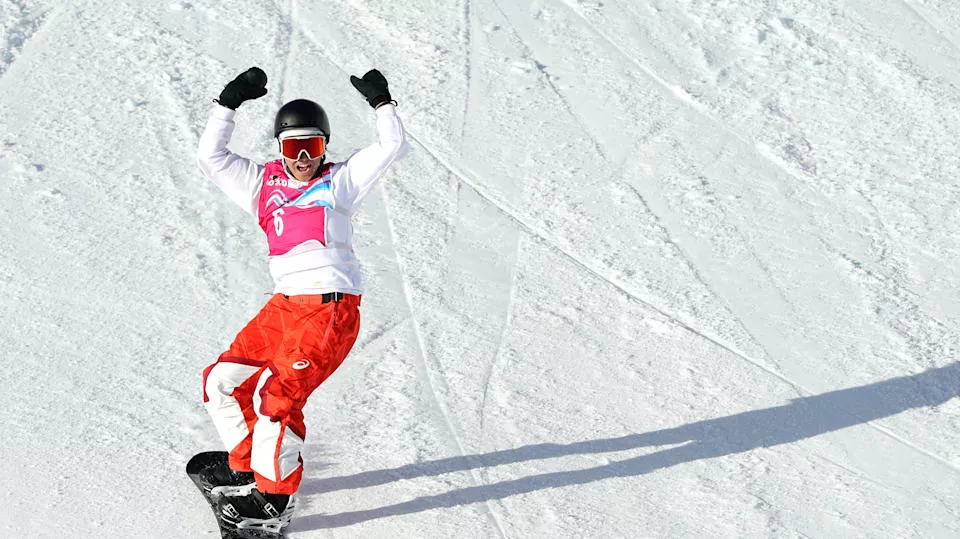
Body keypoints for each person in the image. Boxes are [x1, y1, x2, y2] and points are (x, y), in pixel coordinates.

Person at [196, 66, 408, 532]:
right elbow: (211, 157)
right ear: (280, 148)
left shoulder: (340, 182)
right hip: (285, 306)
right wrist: (228, 103)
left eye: (312, 147)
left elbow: (392, 146)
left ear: (324, 147)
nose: (304, 158)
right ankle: (251, 464)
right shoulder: (262, 186)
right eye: (294, 148)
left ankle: (274, 501)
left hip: (328, 311)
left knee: (279, 398)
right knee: (222, 382)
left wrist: (381, 103)